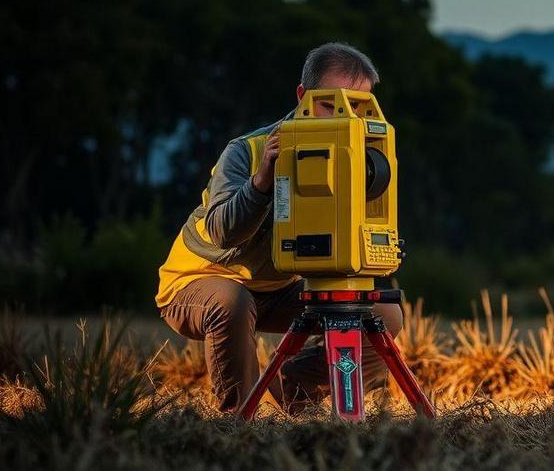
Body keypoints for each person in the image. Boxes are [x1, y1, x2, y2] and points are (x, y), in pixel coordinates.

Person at [155, 42, 403, 413]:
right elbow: (223, 232)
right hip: (200, 280)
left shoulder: (358, 157)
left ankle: (293, 386)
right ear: (302, 95)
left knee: (384, 315)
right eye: (329, 104)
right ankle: (237, 420)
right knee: (232, 302)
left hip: (276, 288)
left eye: (357, 106)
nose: (344, 117)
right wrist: (261, 184)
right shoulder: (246, 151)